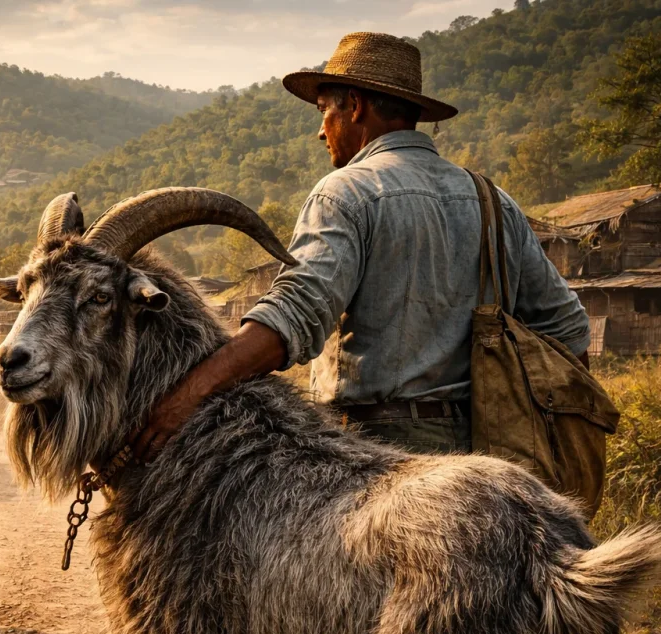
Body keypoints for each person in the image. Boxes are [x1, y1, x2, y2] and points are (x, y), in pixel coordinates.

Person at [129, 32, 591, 460]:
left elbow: (292, 317)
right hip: (492, 455)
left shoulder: (346, 192)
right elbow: (567, 329)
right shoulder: (494, 201)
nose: (320, 130)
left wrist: (183, 399)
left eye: (323, 112)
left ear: (354, 106)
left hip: (377, 455)